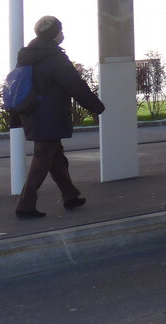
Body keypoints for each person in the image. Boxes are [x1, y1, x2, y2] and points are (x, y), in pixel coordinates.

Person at [12, 15, 105, 219]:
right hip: (49, 115)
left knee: (55, 157)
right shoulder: (54, 57)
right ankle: (25, 205)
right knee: (42, 159)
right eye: (60, 30)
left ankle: (70, 195)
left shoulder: (29, 54)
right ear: (54, 34)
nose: (62, 34)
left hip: (33, 113)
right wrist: (96, 106)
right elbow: (74, 84)